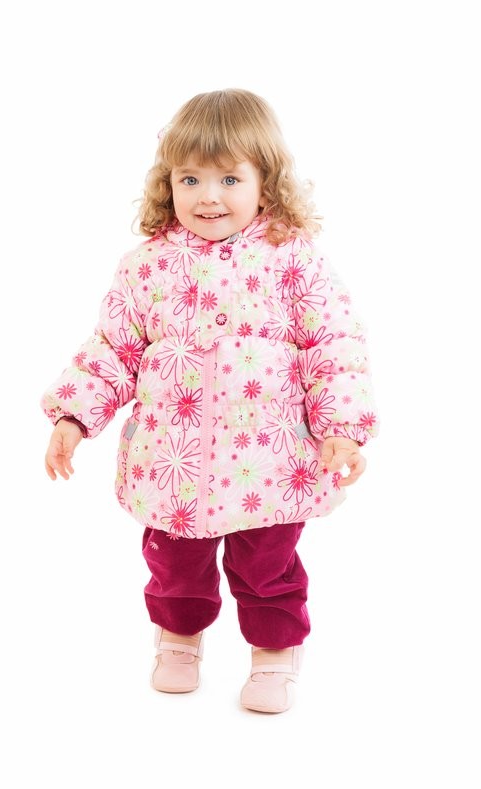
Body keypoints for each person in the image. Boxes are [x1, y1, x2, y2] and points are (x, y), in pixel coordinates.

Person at [42, 88, 378, 714]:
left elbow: (333, 346)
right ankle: (178, 638)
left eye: (229, 178)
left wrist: (342, 425)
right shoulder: (147, 267)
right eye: (190, 178)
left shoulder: (292, 262)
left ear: (265, 182)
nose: (208, 196)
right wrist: (74, 415)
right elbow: (115, 347)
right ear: (167, 182)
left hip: (269, 465)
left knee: (268, 567)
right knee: (175, 566)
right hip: (172, 465)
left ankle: (274, 653)